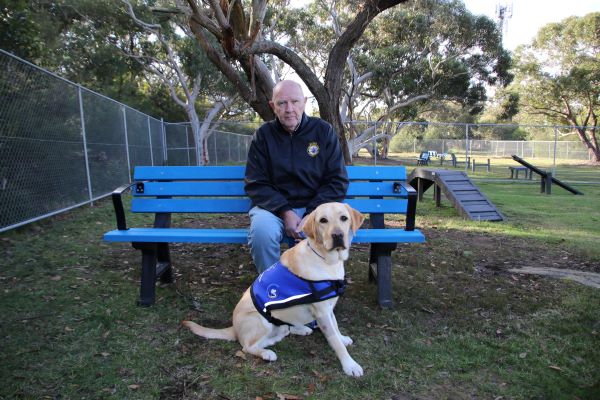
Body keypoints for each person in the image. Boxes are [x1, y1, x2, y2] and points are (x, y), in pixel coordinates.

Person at [244, 80, 349, 273]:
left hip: (317, 208)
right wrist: (285, 211)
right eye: (282, 103)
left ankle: (317, 289)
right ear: (272, 106)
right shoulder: (263, 136)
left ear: (305, 102)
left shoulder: (323, 131)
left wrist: (311, 214)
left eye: (295, 101)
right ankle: (273, 288)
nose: (289, 109)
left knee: (334, 229)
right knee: (261, 232)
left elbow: (337, 180)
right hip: (273, 210)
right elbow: (255, 182)